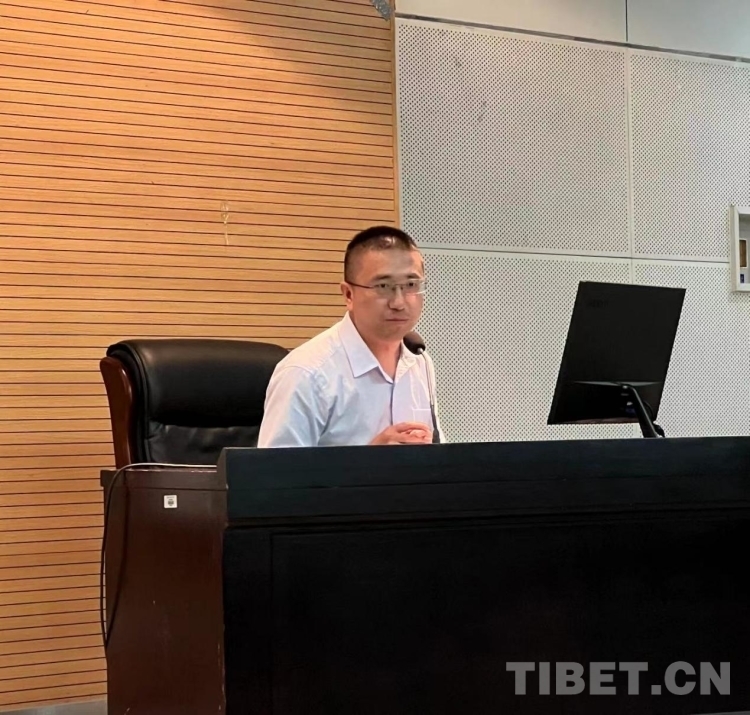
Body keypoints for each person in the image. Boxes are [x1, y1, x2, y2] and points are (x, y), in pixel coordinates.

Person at [257, 225, 444, 447]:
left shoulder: (419, 361)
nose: (399, 302)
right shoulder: (306, 374)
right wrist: (368, 461)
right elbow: (276, 469)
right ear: (348, 294)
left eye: (411, 285)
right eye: (383, 286)